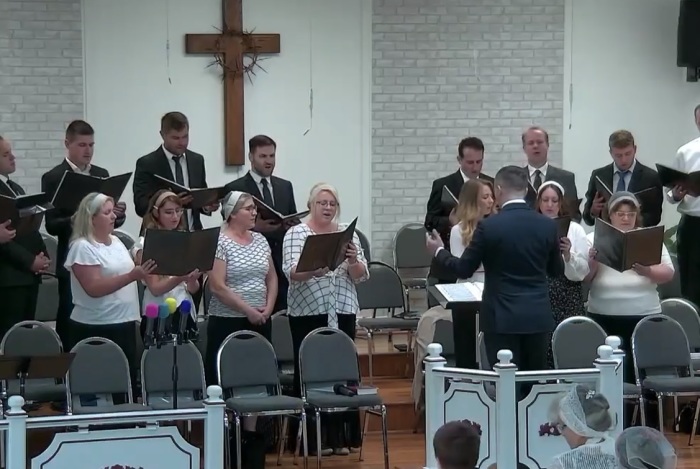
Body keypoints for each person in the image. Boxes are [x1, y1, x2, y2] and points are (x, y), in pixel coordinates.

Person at [426, 165, 564, 374]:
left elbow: (464, 269)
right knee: (533, 382)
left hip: (501, 317)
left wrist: (439, 252)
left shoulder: (490, 226)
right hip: (537, 316)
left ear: (498, 190)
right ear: (527, 189)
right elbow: (556, 271)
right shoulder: (547, 225)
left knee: (505, 382)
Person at [283, 182, 369, 455]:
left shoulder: (347, 234)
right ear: (311, 205)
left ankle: (340, 439)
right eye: (322, 203)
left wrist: (354, 260)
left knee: (342, 372)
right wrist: (313, 269)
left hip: (342, 307)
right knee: (311, 370)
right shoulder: (296, 233)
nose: (328, 208)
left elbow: (361, 275)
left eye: (332, 203)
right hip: (309, 309)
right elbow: (291, 272)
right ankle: (311, 440)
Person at [41, 120, 128, 350]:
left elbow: (112, 222)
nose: (88, 150)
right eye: (81, 145)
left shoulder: (102, 175)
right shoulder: (54, 177)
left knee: (105, 309)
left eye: (91, 145)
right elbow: (51, 225)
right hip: (72, 253)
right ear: (67, 144)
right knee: (69, 311)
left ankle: (106, 357)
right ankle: (68, 363)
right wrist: (81, 216)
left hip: (103, 253)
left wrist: (117, 214)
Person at [206, 191, 276, 469]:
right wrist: (247, 309)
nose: (254, 213)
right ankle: (228, 442)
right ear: (232, 212)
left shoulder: (260, 240)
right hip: (229, 321)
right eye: (249, 208)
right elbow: (218, 286)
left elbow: (271, 277)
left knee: (255, 383)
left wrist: (268, 307)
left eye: (255, 208)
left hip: (260, 318)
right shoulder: (219, 241)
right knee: (230, 383)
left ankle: (251, 438)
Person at [64, 193, 156, 387]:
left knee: (124, 383)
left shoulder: (116, 241)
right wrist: (132, 276)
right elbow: (94, 288)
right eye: (107, 213)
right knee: (99, 385)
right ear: (92, 218)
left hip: (124, 321)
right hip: (97, 325)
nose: (114, 216)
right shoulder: (82, 247)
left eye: (112, 211)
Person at [132, 112, 219, 313]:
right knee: (164, 300)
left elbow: (199, 191)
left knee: (191, 297)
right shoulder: (148, 163)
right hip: (162, 238)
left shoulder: (196, 160)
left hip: (190, 235)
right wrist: (173, 199)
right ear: (162, 135)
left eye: (185, 137)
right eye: (176, 138)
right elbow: (140, 204)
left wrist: (205, 205)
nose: (182, 142)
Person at [586, 192, 674, 383]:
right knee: (608, 372)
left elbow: (669, 273)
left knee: (641, 371)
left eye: (631, 214)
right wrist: (592, 262)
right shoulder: (593, 237)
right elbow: (584, 279)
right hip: (603, 315)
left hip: (643, 314)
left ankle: (641, 411)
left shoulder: (648, 238)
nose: (626, 218)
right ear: (610, 214)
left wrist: (647, 271)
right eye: (620, 213)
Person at [224, 135, 299, 313]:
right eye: (263, 156)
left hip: (282, 261)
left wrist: (293, 224)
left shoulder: (285, 186)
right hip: (250, 265)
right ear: (251, 157)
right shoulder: (235, 188)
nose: (269, 161)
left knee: (283, 317)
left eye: (272, 156)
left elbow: (292, 217)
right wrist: (255, 227)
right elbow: (229, 227)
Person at [425, 137, 493, 293]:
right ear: (459, 160)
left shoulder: (490, 183)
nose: (475, 167)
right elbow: (429, 221)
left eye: (479, 161)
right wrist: (450, 222)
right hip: (449, 261)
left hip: (484, 267)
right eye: (470, 162)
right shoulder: (443, 184)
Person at [130, 190, 200, 338]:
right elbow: (155, 288)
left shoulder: (184, 240)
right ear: (156, 213)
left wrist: (192, 279)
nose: (175, 217)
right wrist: (180, 277)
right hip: (157, 313)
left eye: (178, 211)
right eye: (168, 212)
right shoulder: (145, 244)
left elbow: (192, 289)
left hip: (184, 309)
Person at [0, 136, 50, 339]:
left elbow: (29, 227)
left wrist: (42, 254)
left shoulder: (15, 188)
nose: (13, 157)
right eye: (5, 154)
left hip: (28, 275)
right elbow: (4, 239)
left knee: (24, 336)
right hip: (9, 277)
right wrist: (30, 261)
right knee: (9, 338)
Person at [534, 181, 589, 367]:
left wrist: (567, 255)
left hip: (567, 293)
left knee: (569, 346)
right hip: (539, 292)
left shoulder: (575, 229)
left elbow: (583, 271)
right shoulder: (531, 226)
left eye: (554, 200)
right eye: (545, 200)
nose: (550, 205)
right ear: (539, 202)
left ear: (560, 203)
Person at [583, 130, 663, 228]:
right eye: (618, 155)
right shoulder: (599, 176)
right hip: (606, 236)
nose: (623, 160)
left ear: (635, 149)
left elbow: (655, 216)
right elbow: (587, 218)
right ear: (611, 153)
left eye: (628, 154)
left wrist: (631, 222)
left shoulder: (651, 177)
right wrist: (593, 211)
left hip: (637, 235)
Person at [666, 104, 700, 308]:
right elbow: (671, 191)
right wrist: (676, 195)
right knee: (691, 280)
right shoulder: (686, 152)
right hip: (694, 225)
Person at [547, 384, 617, 469]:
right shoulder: (620, 453)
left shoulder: (562, 464)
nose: (563, 433)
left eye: (562, 427)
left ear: (577, 427)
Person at [521, 126, 581, 221]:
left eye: (540, 142)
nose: (535, 146)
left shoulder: (566, 178)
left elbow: (574, 215)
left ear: (548, 145)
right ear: (524, 148)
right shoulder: (517, 179)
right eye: (531, 143)